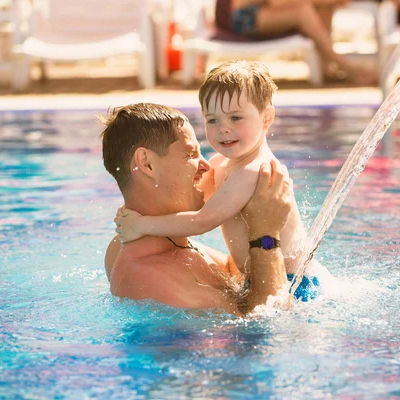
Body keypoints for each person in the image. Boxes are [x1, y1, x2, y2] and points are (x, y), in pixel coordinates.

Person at [114, 61, 329, 301]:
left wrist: (142, 224)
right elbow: (189, 196)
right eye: (212, 120)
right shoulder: (222, 164)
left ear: (266, 118)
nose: (223, 129)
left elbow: (201, 222)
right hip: (255, 278)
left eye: (236, 118)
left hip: (293, 283)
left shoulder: (253, 171)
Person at [101, 103, 294, 316]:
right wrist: (266, 234)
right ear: (147, 164)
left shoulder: (142, 242)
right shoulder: (150, 277)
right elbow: (267, 323)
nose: (206, 165)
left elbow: (237, 273)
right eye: (191, 154)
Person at [214, 0, 375, 85]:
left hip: (264, 12)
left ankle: (326, 68)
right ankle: (346, 66)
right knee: (303, 11)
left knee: (324, 7)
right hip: (243, 17)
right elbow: (277, 2)